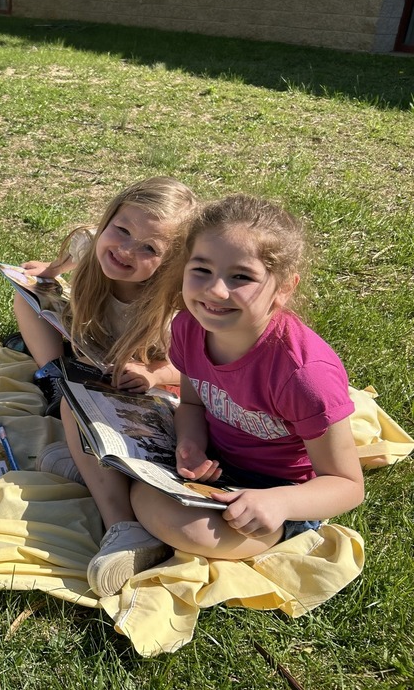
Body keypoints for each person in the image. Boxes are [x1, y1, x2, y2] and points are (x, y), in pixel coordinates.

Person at [124, 195, 363, 586]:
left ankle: (284, 530)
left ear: (283, 289)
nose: (216, 291)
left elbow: (348, 485)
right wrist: (190, 444)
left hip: (278, 491)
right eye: (201, 269)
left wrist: (279, 503)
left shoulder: (303, 375)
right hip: (215, 472)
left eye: (241, 277)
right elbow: (191, 401)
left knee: (191, 529)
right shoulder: (188, 328)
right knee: (120, 460)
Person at [23, 177, 198, 596]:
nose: (125, 250)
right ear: (109, 221)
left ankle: (125, 526)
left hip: (147, 394)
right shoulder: (93, 247)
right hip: (95, 370)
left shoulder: (174, 305)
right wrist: (48, 273)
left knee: (72, 408)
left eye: (149, 249)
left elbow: (193, 367)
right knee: (28, 297)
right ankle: (52, 377)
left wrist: (154, 374)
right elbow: (78, 244)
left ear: (171, 262)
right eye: (121, 231)